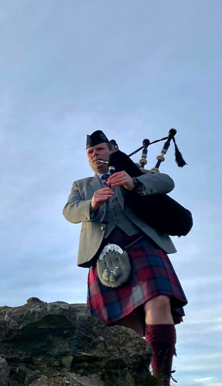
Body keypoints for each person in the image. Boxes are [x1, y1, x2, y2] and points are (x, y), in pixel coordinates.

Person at [63, 130, 187, 386]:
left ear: (112, 151)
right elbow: (69, 211)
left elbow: (166, 182)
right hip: (104, 257)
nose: (95, 154)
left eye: (100, 149)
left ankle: (161, 379)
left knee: (159, 301)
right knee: (126, 325)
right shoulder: (81, 185)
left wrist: (134, 182)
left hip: (143, 245)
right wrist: (92, 203)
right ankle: (139, 380)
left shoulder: (133, 173)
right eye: (90, 152)